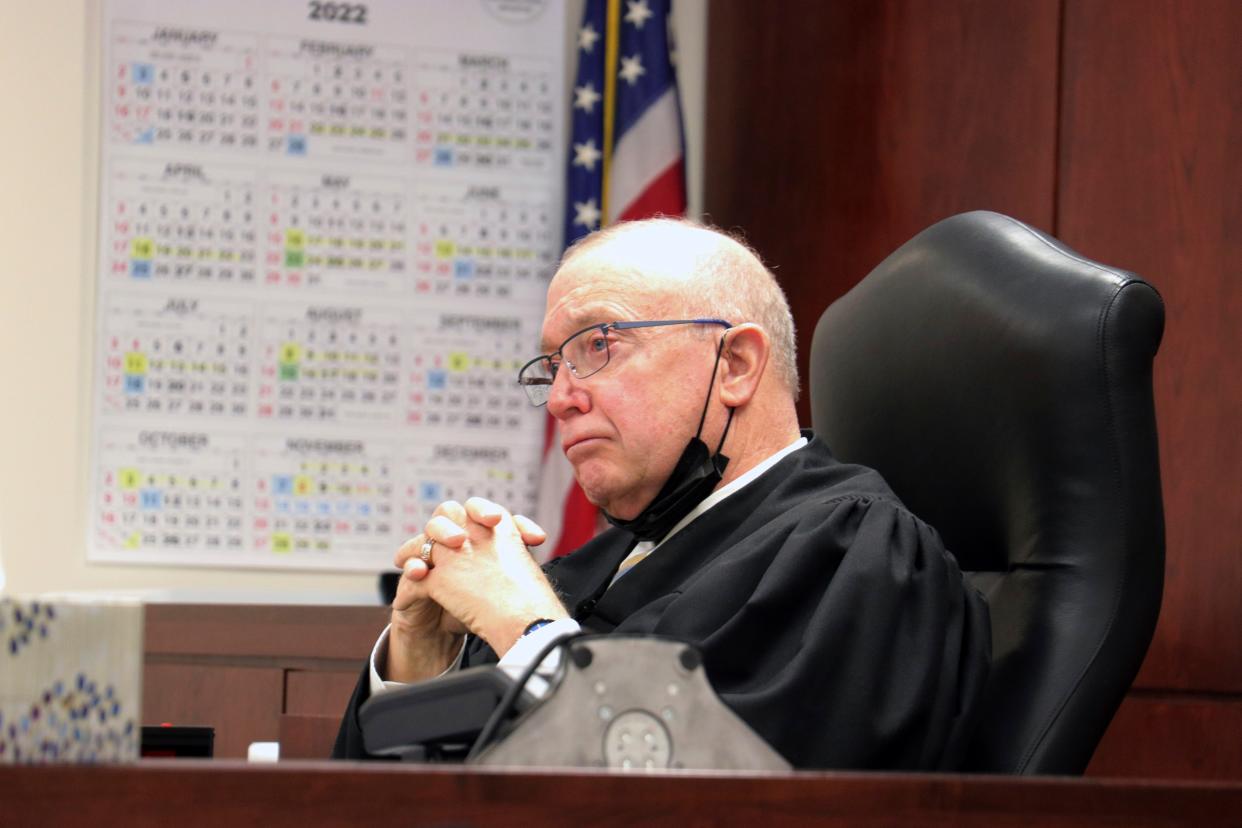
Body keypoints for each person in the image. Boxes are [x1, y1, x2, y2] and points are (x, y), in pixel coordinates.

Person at [332, 218, 990, 769]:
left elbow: (713, 798)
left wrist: (525, 626)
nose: (561, 398)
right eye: (554, 365)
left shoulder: (858, 553)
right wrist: (419, 661)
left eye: (598, 344)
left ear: (734, 365)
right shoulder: (589, 570)